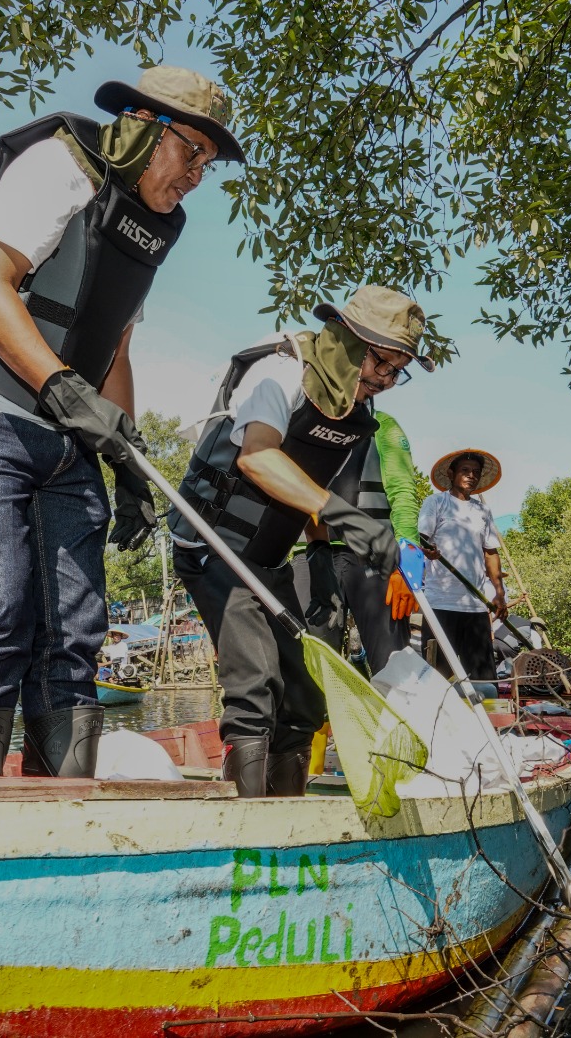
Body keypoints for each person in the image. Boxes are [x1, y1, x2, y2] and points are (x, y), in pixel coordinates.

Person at [0, 66, 244, 778]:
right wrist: (64, 390)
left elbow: (116, 349)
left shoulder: (150, 227)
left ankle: (60, 800)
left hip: (65, 439)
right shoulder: (61, 164)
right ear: (145, 126)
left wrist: (128, 462)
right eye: (192, 153)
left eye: (208, 166)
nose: (196, 176)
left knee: (75, 627)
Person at [168, 286, 432, 797]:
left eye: (397, 372)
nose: (385, 380)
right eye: (382, 364)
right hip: (214, 547)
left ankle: (289, 810)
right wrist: (345, 517)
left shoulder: (354, 414)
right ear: (349, 339)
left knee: (306, 694)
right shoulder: (282, 370)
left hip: (268, 560)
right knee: (256, 682)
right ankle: (248, 822)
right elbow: (258, 457)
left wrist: (334, 551)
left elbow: (311, 484)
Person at [292, 408, 423, 675]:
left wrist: (409, 557)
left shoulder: (383, 424)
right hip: (310, 554)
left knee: (393, 664)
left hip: (373, 557)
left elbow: (402, 491)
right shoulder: (302, 418)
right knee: (307, 663)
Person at [418, 449, 507, 683]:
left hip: (475, 606)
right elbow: (420, 541)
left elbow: (491, 553)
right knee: (436, 677)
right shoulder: (436, 502)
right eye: (465, 470)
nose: (471, 476)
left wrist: (500, 593)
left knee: (484, 681)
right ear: (451, 474)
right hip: (440, 603)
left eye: (476, 472)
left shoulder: (482, 511)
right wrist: (428, 551)